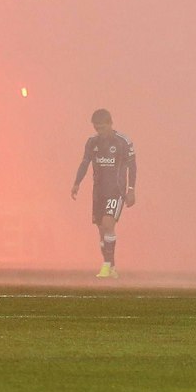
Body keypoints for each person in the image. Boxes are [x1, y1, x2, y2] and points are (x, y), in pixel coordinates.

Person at [71, 108, 136, 279]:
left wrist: (131, 190)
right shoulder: (92, 142)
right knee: (102, 231)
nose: (100, 132)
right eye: (97, 128)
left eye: (102, 128)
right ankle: (112, 265)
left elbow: (132, 166)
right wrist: (77, 183)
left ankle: (106, 265)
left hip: (116, 190)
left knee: (108, 223)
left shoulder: (123, 142)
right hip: (98, 192)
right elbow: (85, 163)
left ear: (110, 123)